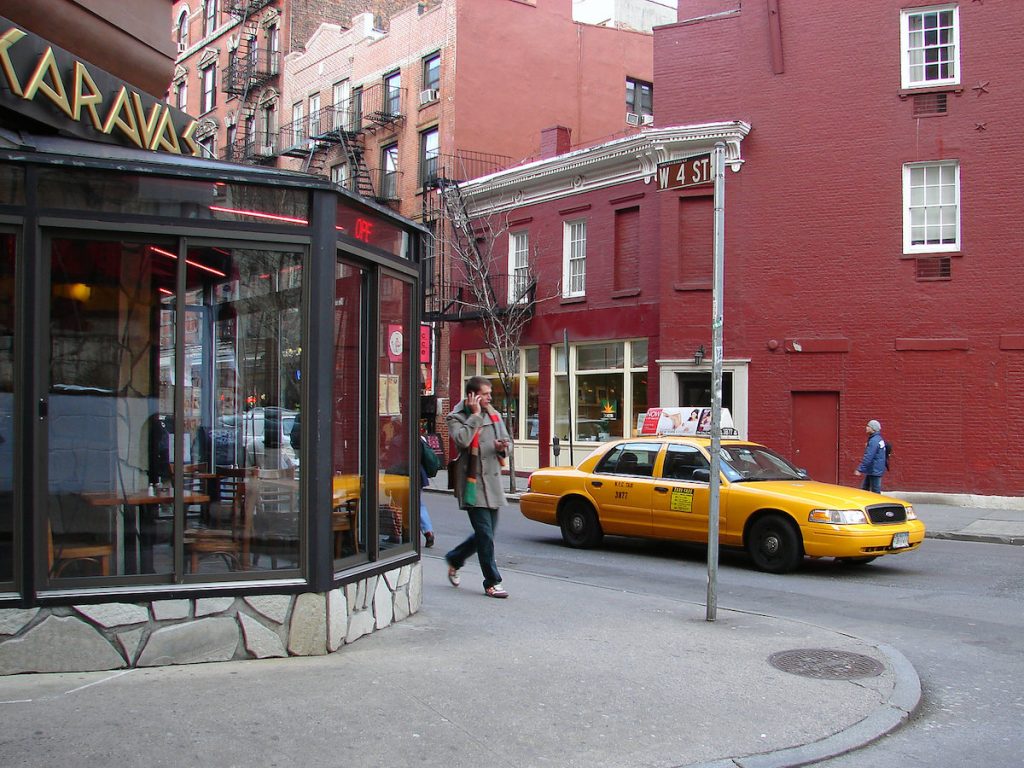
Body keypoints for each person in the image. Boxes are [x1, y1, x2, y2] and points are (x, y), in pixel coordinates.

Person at [444, 375, 511, 598]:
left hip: (491, 483)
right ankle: (492, 581)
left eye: (490, 393)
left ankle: (455, 558)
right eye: (486, 393)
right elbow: (461, 441)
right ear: (472, 395)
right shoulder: (456, 416)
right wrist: (473, 416)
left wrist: (502, 447)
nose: (490, 397)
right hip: (472, 484)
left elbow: (507, 443)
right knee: (484, 533)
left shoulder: (494, 415)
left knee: (487, 534)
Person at [855, 419, 887, 493]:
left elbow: (869, 456)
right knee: (865, 489)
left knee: (875, 491)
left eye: (868, 426)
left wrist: (860, 469)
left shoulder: (874, 440)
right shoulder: (878, 439)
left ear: (873, 428)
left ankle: (878, 504)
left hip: (874, 469)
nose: (866, 427)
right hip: (874, 469)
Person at [419, 435, 435, 548]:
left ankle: (399, 533)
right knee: (419, 504)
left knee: (403, 505)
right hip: (420, 474)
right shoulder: (421, 439)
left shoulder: (398, 439)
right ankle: (428, 531)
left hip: (404, 474)